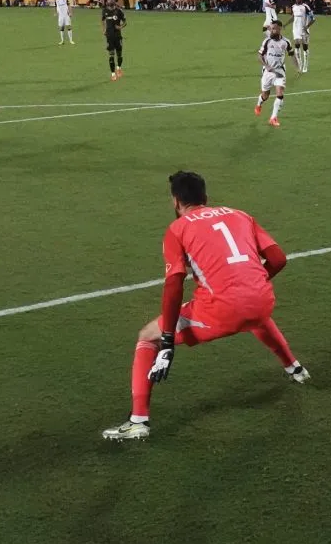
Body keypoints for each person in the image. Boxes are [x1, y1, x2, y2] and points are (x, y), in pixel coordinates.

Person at [102, 171, 310, 440]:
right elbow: (278, 259)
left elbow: (174, 284)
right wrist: (250, 283)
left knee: (146, 338)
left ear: (176, 202)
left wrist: (166, 339)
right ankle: (296, 370)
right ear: (206, 197)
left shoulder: (177, 229)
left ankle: (138, 421)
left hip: (220, 311)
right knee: (253, 315)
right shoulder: (239, 214)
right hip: (262, 300)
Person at [254, 20, 300, 127]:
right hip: (268, 72)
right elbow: (259, 56)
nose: (272, 30)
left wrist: (297, 67)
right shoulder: (267, 41)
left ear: (279, 29)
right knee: (265, 95)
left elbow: (292, 55)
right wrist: (266, 66)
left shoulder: (286, 42)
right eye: (271, 28)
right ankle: (259, 104)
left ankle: (273, 118)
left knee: (280, 94)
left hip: (279, 71)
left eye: (274, 28)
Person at [286, 0, 314, 73]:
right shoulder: (293, 7)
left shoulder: (305, 7)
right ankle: (299, 64)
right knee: (297, 45)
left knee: (305, 47)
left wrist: (307, 26)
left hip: (304, 29)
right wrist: (285, 24)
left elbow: (313, 18)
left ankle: (305, 65)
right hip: (296, 29)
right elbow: (293, 17)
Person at [101, 0, 126, 81]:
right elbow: (103, 20)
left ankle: (118, 68)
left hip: (118, 36)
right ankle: (113, 74)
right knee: (111, 55)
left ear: (114, 0)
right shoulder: (104, 10)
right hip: (109, 37)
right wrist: (104, 29)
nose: (110, 1)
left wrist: (121, 27)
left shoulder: (119, 11)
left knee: (119, 55)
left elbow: (125, 22)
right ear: (107, 1)